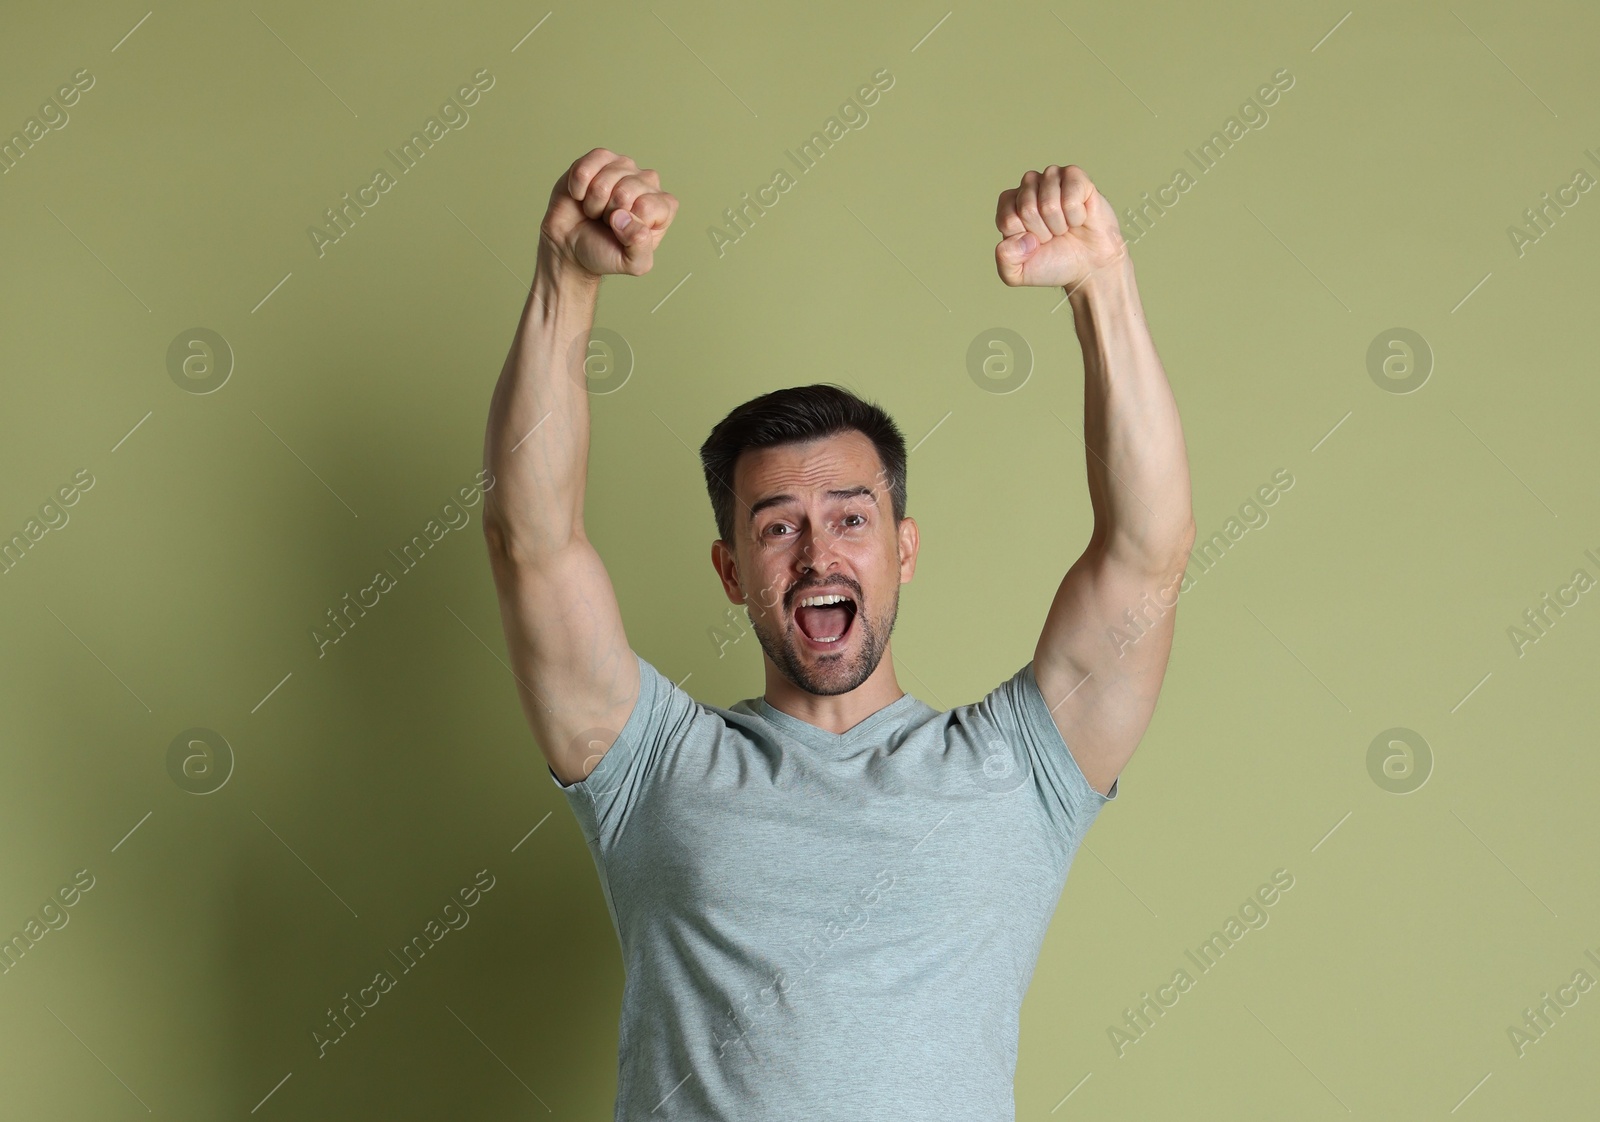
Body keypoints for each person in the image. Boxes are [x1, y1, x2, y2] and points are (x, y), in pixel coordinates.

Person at [479, 148, 1194, 1121]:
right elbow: (531, 544)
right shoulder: (651, 769)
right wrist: (565, 279)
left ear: (902, 550)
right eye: (777, 527)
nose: (817, 554)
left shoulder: (1020, 770)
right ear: (732, 573)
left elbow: (1146, 552)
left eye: (850, 519)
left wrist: (1102, 288)